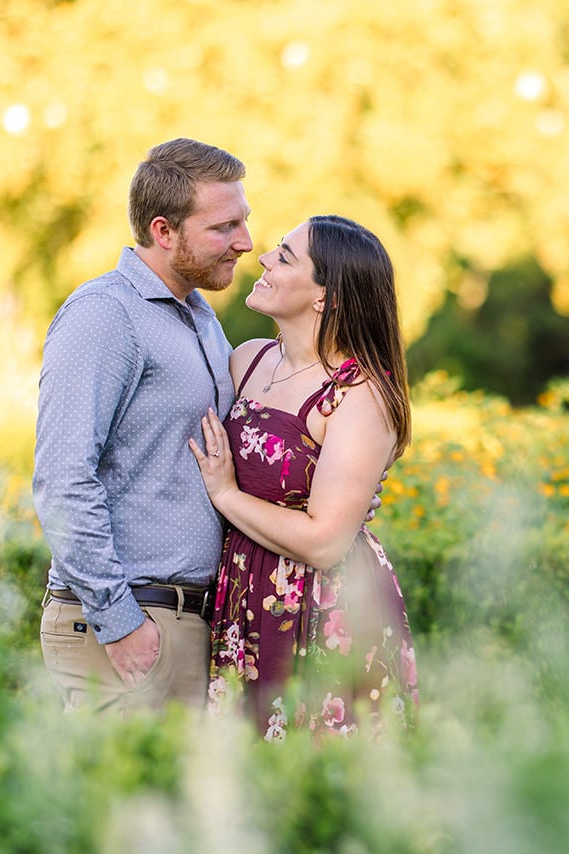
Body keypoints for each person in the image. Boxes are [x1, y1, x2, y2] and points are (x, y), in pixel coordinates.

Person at [33, 138, 249, 713]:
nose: (245, 243)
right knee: (120, 804)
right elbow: (61, 481)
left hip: (188, 621)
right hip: (128, 622)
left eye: (243, 223)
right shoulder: (104, 316)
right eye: (224, 227)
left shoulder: (200, 318)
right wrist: (120, 621)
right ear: (164, 230)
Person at [190, 214, 419, 739]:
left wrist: (225, 493)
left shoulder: (359, 394)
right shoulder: (245, 362)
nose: (263, 260)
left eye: (285, 257)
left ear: (325, 297)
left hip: (323, 605)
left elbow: (324, 543)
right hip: (241, 595)